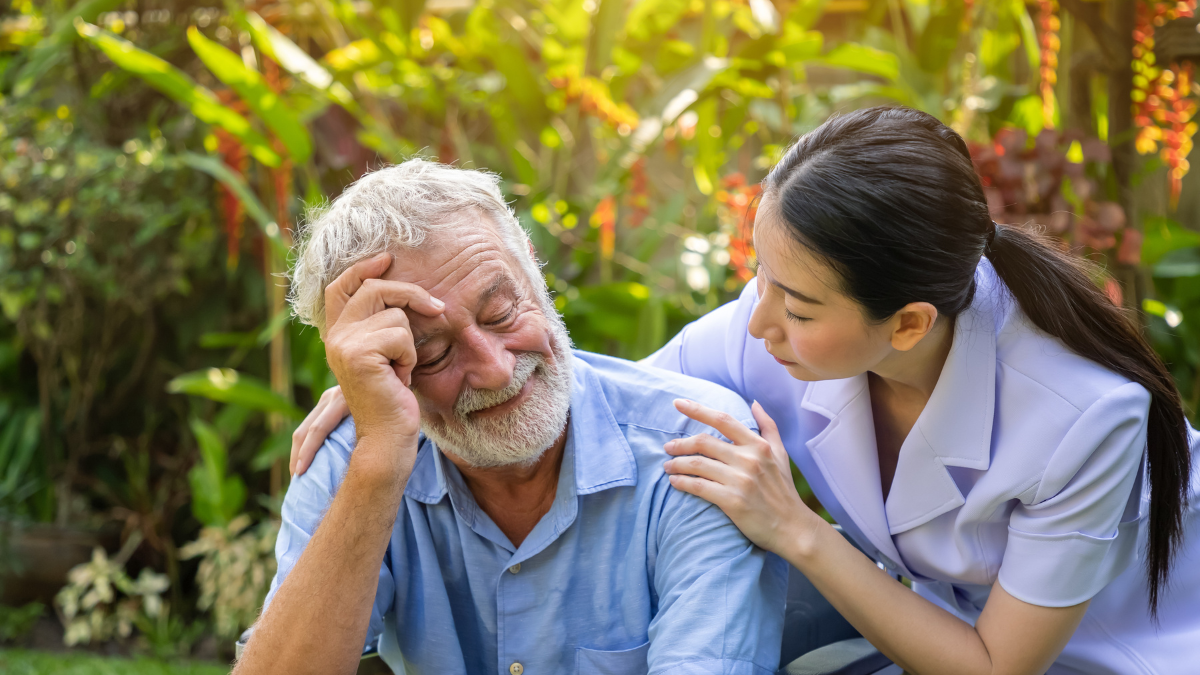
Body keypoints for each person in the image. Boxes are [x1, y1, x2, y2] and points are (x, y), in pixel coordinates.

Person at [293, 107, 1200, 674]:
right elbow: (593, 412)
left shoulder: (1086, 416)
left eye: (795, 304)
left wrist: (797, 529)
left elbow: (1000, 665)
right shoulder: (782, 328)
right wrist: (392, 400)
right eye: (758, 274)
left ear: (910, 325)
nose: (755, 321)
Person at [235, 159, 787, 675]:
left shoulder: (694, 447)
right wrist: (378, 461)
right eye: (433, 354)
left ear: (532, 267)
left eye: (501, 312)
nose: (496, 371)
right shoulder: (353, 455)